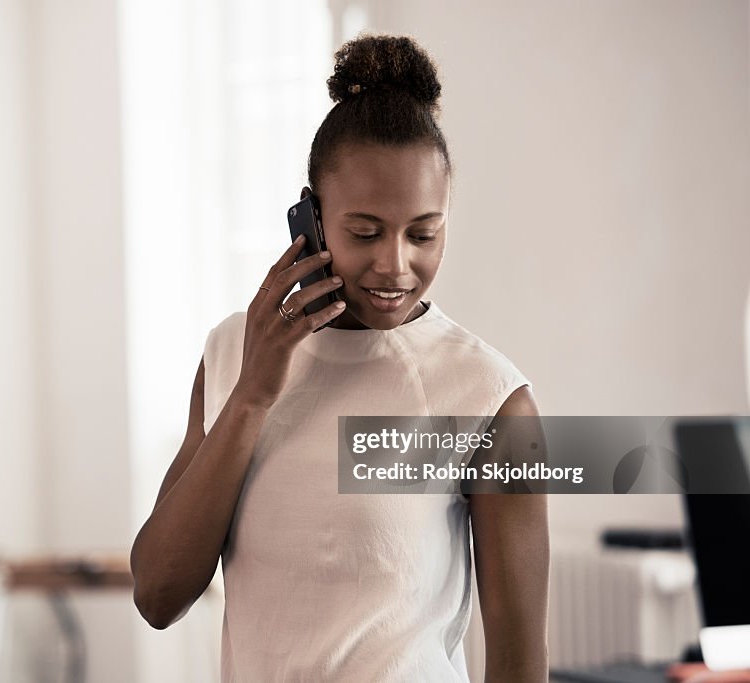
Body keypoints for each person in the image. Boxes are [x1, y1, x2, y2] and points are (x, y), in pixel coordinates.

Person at [130, 33, 549, 682]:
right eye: (364, 232)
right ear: (312, 217)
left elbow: (521, 665)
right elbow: (158, 593)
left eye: (423, 233)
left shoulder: (490, 397)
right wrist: (253, 394)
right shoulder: (228, 355)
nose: (395, 264)